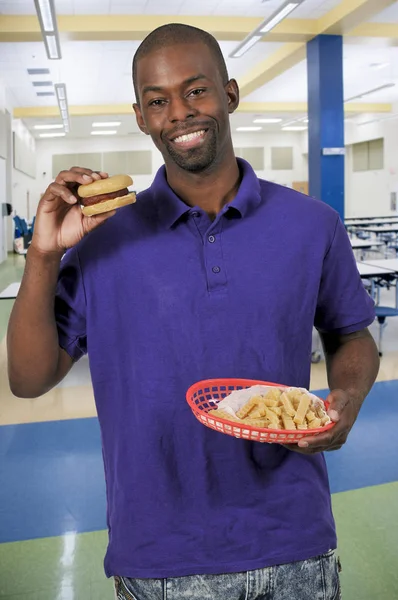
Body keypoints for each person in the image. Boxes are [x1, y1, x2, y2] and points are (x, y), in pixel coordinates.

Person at [7, 23, 379, 600]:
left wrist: (345, 407)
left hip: (295, 545)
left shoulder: (312, 225)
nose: (178, 112)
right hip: (158, 556)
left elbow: (352, 335)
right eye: (157, 101)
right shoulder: (104, 238)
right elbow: (29, 380)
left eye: (195, 90)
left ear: (229, 94)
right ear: (140, 116)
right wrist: (43, 255)